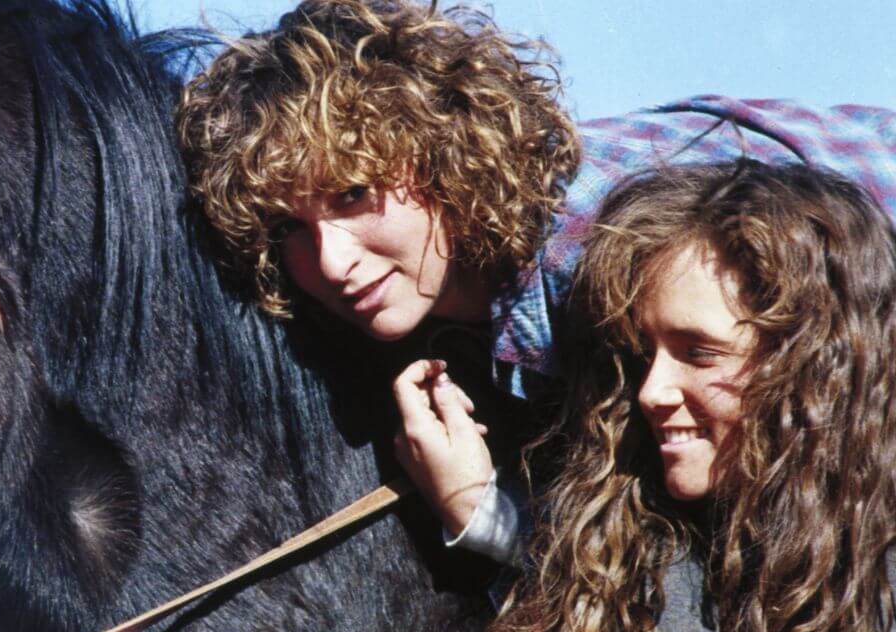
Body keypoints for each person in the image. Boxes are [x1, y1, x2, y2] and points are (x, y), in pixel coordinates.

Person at [175, 0, 896, 564]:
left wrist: (480, 511)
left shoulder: (607, 263)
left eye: (353, 192)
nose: (331, 262)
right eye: (287, 228)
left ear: (441, 150)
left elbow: (753, 552)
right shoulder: (501, 286)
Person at [477, 160, 896, 632]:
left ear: (815, 368)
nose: (651, 392)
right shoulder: (637, 563)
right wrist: (477, 510)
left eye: (699, 353)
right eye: (640, 354)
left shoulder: (877, 593)